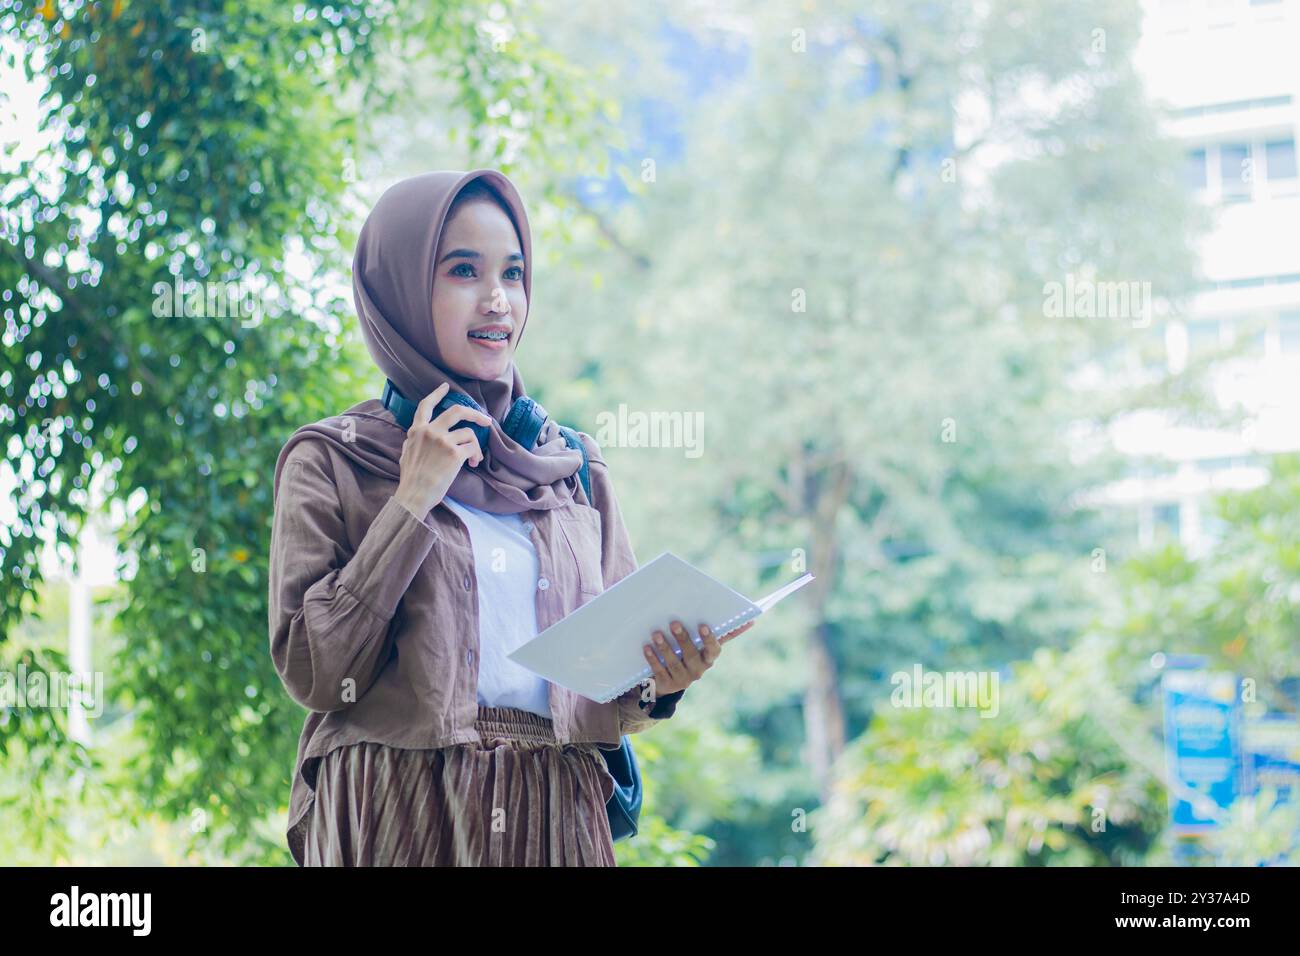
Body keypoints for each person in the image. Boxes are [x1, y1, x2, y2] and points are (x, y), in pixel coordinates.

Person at [267, 169, 753, 866]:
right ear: (399, 289)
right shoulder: (333, 458)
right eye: (464, 270)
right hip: (396, 809)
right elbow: (316, 673)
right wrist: (413, 500)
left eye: (514, 273)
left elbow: (613, 698)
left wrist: (664, 680)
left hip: (556, 810)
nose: (498, 299)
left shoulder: (572, 468)